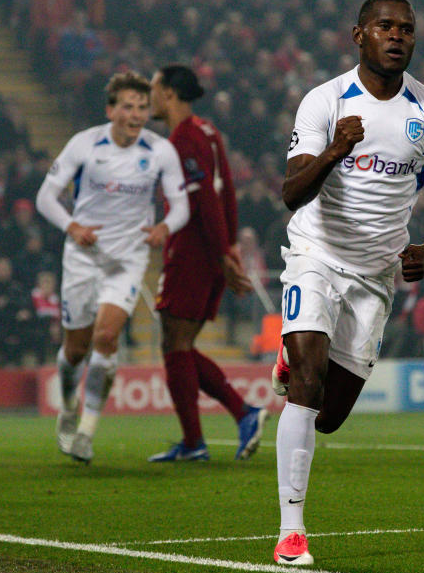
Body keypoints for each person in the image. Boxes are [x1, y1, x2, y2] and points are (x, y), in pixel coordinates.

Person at [269, 0, 424, 565]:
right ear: (358, 34)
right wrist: (336, 149)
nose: (397, 36)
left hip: (375, 275)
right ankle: (292, 531)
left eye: (407, 29)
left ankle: (290, 362)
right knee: (308, 384)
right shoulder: (325, 101)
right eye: (385, 26)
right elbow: (291, 193)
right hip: (316, 253)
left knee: (328, 417)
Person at [35, 71, 188, 464]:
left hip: (128, 258)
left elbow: (181, 206)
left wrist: (163, 227)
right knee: (76, 348)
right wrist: (73, 226)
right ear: (111, 110)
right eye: (127, 106)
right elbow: (46, 197)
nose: (136, 114)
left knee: (106, 337)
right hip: (83, 256)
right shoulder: (85, 144)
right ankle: (68, 404)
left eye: (141, 106)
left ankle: (86, 431)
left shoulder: (159, 150)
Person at [146, 64, 264, 463]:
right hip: (210, 247)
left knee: (174, 343)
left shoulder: (183, 139)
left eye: (154, 88)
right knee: (179, 345)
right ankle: (214, 429)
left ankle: (227, 422)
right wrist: (229, 246)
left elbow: (206, 200)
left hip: (193, 248)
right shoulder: (208, 131)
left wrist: (221, 255)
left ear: (169, 94)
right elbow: (226, 189)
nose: (149, 95)